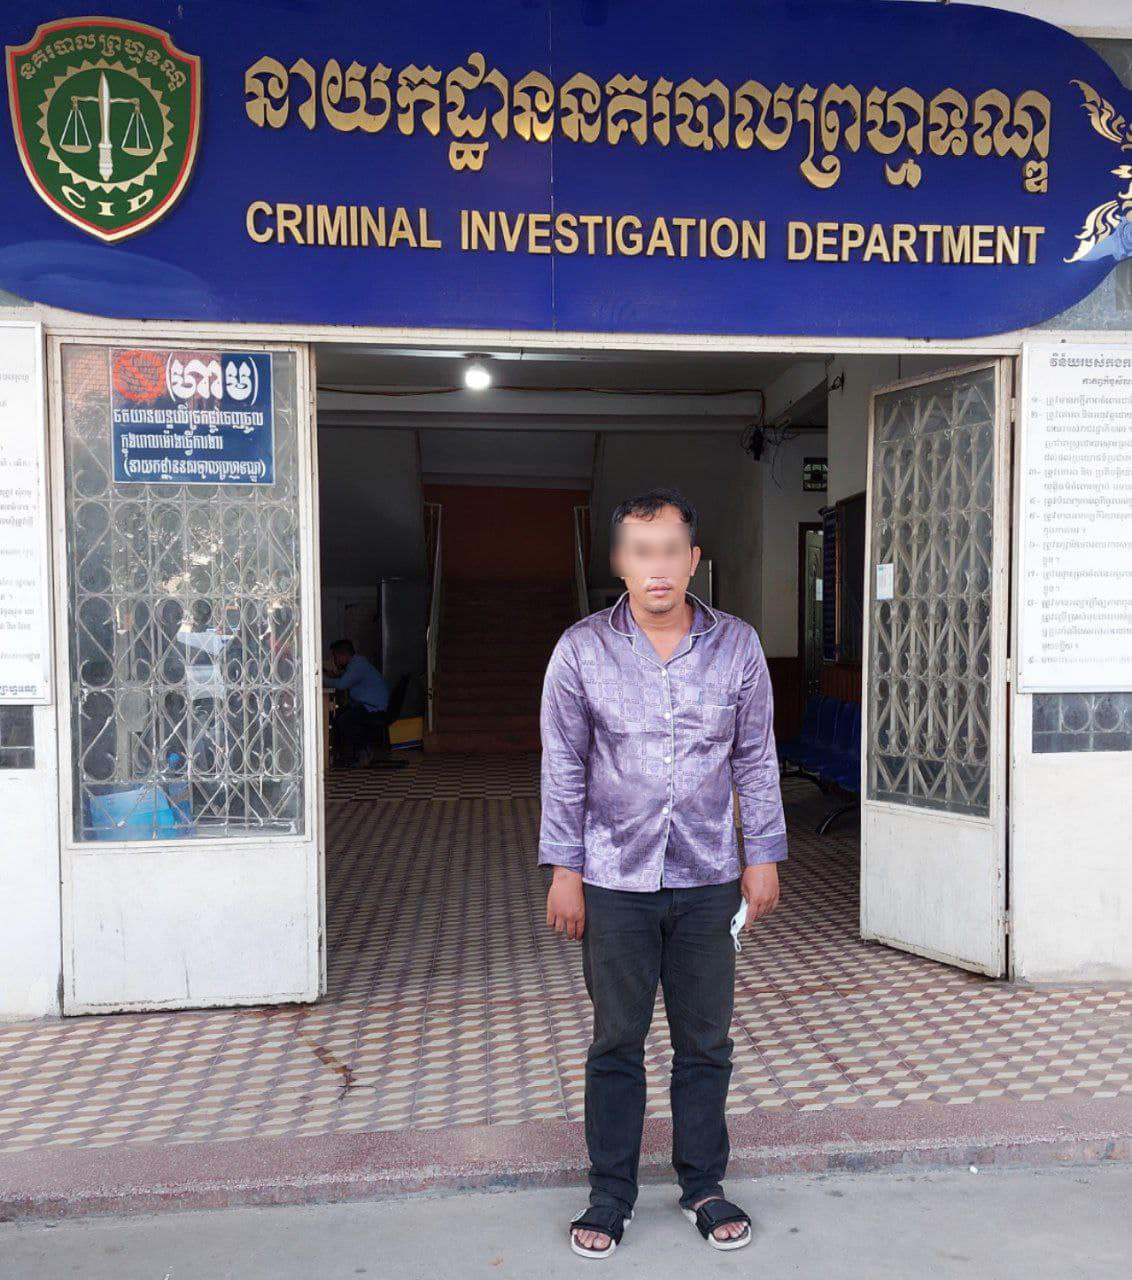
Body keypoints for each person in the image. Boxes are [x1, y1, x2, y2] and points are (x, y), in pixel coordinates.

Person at [538, 486, 787, 1258]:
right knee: (616, 1040)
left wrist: (763, 854)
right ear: (619, 561)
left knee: (706, 1042)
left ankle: (702, 1184)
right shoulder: (581, 650)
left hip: (709, 875)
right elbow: (564, 768)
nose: (657, 568)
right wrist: (564, 869)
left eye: (671, 551)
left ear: (693, 559)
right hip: (614, 878)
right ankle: (610, 1193)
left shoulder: (737, 646)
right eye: (641, 552)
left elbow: (756, 758)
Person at [323, 638, 390, 768]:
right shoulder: (357, 663)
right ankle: (340, 755)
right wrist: (331, 677)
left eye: (335, 657)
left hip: (374, 709)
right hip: (369, 706)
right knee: (339, 715)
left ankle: (364, 753)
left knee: (344, 720)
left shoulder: (358, 665)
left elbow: (342, 684)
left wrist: (319, 678)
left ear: (344, 655)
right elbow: (345, 680)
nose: (335, 661)